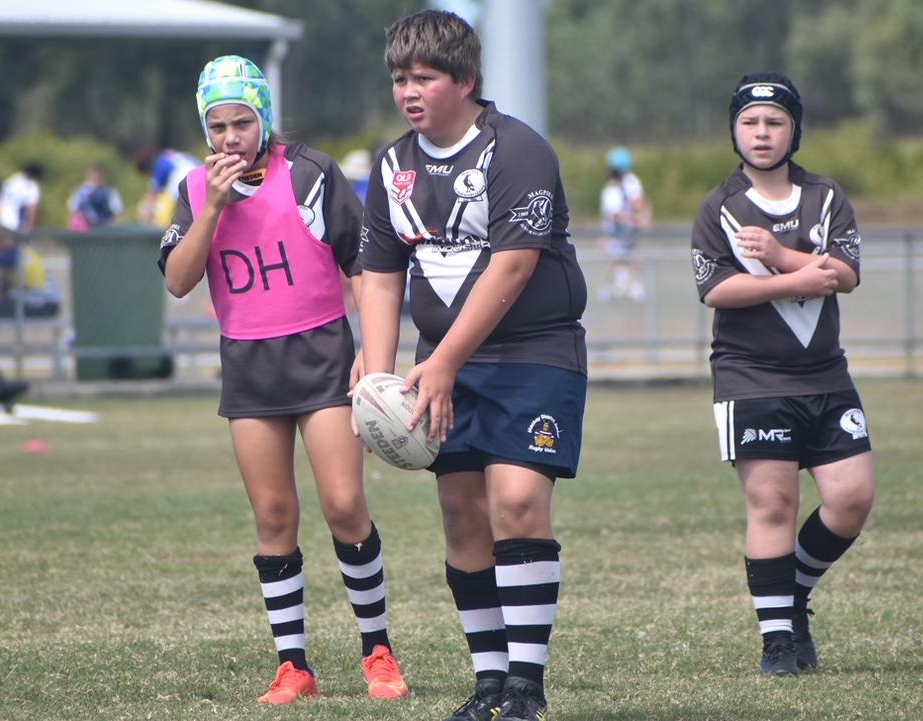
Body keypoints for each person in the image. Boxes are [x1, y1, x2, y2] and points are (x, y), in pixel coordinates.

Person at [157, 55, 409, 706]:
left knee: (344, 504)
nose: (230, 138)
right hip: (249, 363)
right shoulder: (193, 188)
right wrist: (211, 205)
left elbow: (364, 265)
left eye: (242, 122)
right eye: (217, 126)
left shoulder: (311, 174)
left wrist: (372, 355)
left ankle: (376, 648)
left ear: (263, 117)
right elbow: (179, 279)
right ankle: (292, 663)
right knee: (273, 515)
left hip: (322, 354)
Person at [358, 11, 588, 721]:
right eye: (400, 78)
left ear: (466, 79)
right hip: (441, 365)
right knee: (462, 515)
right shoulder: (393, 165)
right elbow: (381, 271)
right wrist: (377, 377)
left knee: (516, 501)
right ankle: (489, 682)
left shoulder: (516, 149)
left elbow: (515, 265)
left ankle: (526, 685)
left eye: (424, 77)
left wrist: (445, 361)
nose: (409, 92)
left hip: (532, 352)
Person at [689, 72, 876, 676]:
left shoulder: (826, 198)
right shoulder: (719, 206)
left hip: (826, 376)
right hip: (751, 378)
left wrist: (778, 257)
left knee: (851, 499)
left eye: (774, 121)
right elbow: (716, 289)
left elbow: (844, 274)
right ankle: (779, 642)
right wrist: (799, 278)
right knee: (773, 501)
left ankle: (790, 594)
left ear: (795, 129)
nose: (762, 133)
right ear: (734, 130)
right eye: (750, 122)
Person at [598, 146, 651, 301]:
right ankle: (606, 288)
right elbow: (615, 215)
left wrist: (643, 216)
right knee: (615, 260)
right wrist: (634, 221)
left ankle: (636, 286)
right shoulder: (610, 190)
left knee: (634, 257)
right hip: (615, 231)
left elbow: (638, 202)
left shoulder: (632, 181)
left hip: (630, 229)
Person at [136, 146, 201, 227]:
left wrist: (145, 217)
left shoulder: (159, 164)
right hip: (198, 172)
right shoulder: (167, 155)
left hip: (181, 175)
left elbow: (152, 195)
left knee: (164, 211)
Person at [67, 163, 123, 232]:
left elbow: (116, 212)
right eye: (94, 174)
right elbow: (74, 209)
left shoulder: (109, 192)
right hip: (86, 228)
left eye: (98, 175)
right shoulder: (81, 192)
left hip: (105, 226)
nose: (96, 177)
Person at [0, 162, 45, 234]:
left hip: (3, 223)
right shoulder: (31, 185)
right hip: (16, 226)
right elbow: (33, 208)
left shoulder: (11, 181)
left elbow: (0, 202)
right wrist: (30, 228)